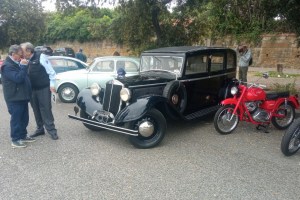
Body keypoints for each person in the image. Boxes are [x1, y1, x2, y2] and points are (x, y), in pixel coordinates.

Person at [21, 42, 59, 140]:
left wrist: (52, 85)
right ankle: (40, 129)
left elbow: (52, 73)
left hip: (43, 88)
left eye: (23, 51)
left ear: (29, 51)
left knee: (46, 109)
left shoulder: (41, 57)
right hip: (32, 90)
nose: (21, 53)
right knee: (36, 110)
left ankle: (52, 130)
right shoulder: (25, 60)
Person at [1, 45, 35, 148]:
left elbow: (24, 77)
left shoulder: (16, 63)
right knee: (16, 119)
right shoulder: (7, 66)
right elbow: (18, 79)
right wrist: (23, 66)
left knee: (24, 118)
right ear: (13, 54)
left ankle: (23, 135)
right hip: (14, 97)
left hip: (22, 96)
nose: (22, 56)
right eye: (20, 54)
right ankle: (15, 140)